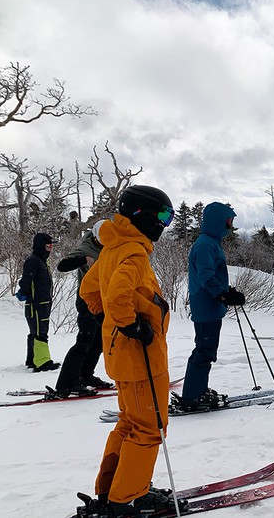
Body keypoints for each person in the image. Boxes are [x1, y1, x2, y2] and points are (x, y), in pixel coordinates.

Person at [78, 185, 178, 517]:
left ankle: (111, 490)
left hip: (121, 356)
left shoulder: (112, 247)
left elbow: (89, 289)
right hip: (141, 359)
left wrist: (106, 317)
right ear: (144, 215)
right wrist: (130, 325)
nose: (165, 223)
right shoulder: (133, 251)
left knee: (129, 423)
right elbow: (118, 293)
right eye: (163, 215)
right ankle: (126, 499)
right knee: (150, 428)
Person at [174, 202, 246, 412]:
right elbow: (206, 276)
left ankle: (198, 391)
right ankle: (193, 396)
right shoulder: (206, 244)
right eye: (228, 221)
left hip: (210, 305)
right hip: (207, 305)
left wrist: (227, 291)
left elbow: (212, 274)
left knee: (206, 349)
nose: (230, 225)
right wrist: (223, 294)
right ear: (219, 220)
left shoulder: (211, 242)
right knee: (204, 350)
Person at [54, 220, 113, 396]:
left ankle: (85, 375)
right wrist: (83, 260)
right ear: (96, 237)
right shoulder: (86, 248)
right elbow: (62, 265)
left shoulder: (107, 246)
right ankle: (66, 383)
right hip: (87, 300)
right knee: (84, 341)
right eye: (103, 239)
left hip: (101, 301)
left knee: (99, 342)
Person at [16, 232, 60, 372]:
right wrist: (23, 293)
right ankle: (42, 362)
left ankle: (32, 360)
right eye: (48, 246)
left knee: (36, 331)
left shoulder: (42, 261)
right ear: (41, 246)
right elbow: (26, 281)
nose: (50, 249)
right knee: (40, 331)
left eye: (51, 246)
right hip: (36, 303)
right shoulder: (33, 260)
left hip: (44, 302)